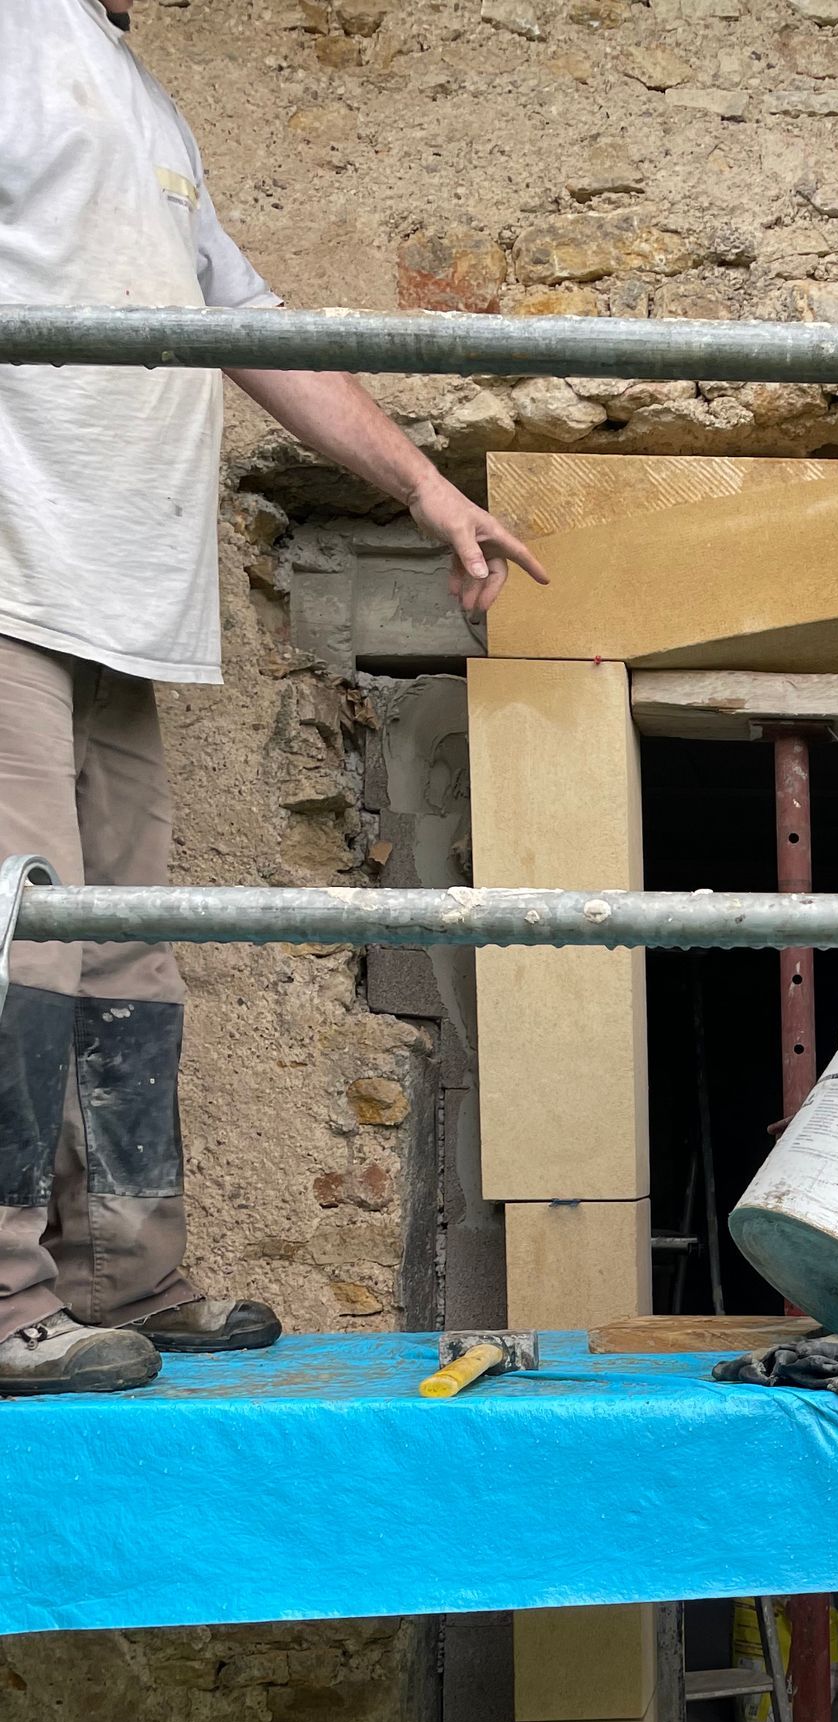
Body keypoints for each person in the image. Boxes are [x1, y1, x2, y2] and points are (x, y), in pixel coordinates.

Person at [0, 0, 548, 1396]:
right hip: (9, 572)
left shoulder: (143, 99)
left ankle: (126, 1272)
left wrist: (424, 487)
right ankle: (4, 1296)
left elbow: (245, 324)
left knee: (127, 951)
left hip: (122, 599)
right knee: (19, 942)